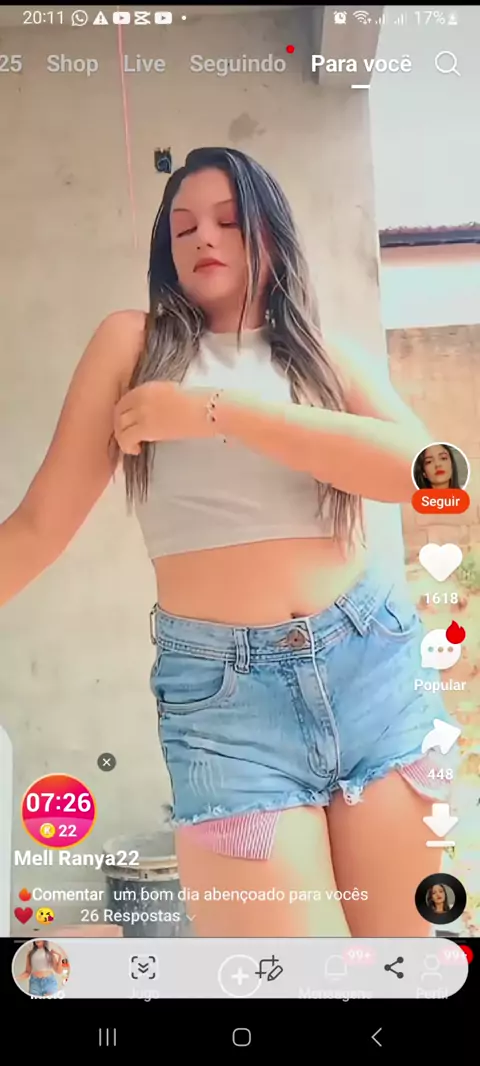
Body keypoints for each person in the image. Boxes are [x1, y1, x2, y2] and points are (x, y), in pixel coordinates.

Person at [0, 146, 456, 938]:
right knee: (292, 984)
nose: (202, 238)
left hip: (372, 670)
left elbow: (432, 474)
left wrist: (214, 412)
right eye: (182, 228)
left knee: (403, 969)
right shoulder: (134, 346)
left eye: (225, 220)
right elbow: (38, 527)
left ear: (271, 234)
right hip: (226, 705)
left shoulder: (322, 358)